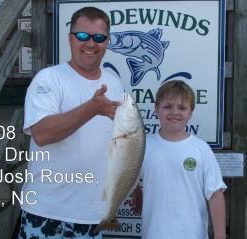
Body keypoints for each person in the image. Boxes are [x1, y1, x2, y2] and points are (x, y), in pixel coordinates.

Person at [18, 7, 124, 238]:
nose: (90, 43)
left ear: (107, 42)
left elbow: (120, 146)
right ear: (70, 39)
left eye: (99, 37)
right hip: (46, 212)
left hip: (94, 216)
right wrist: (92, 108)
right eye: (83, 36)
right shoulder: (49, 78)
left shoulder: (115, 85)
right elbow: (42, 134)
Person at [139, 80, 226, 239]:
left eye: (182, 107)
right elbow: (131, 181)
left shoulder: (201, 149)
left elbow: (215, 194)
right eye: (167, 106)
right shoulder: (143, 147)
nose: (174, 112)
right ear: (156, 109)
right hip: (153, 233)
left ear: (191, 113)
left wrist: (220, 236)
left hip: (193, 234)